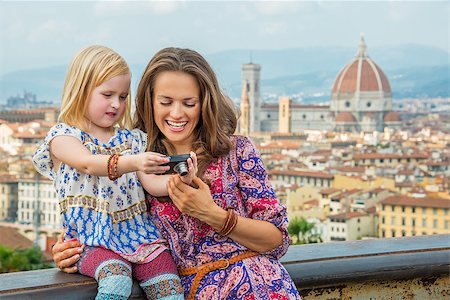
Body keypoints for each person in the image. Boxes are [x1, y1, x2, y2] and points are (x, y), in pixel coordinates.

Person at [52, 47, 301, 299]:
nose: (177, 113)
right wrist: (74, 250)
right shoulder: (136, 160)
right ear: (149, 101)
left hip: (264, 287)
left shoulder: (237, 151)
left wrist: (213, 214)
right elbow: (103, 215)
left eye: (189, 103)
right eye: (166, 102)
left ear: (204, 103)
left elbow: (276, 241)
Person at [33, 45, 190, 300]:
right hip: (90, 241)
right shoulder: (63, 137)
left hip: (140, 237)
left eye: (123, 96)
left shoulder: (133, 140)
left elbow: (152, 185)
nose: (116, 104)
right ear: (81, 90)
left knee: (170, 288)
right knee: (116, 281)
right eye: (107, 94)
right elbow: (87, 163)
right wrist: (134, 161)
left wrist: (181, 177)